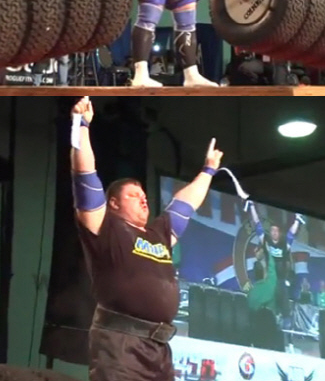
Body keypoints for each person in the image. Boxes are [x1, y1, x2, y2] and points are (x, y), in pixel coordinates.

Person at [70, 96, 223, 381]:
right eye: (133, 195)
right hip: (120, 343)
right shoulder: (105, 226)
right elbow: (84, 174)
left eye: (143, 195)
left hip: (159, 349)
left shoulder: (159, 234)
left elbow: (186, 203)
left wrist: (209, 169)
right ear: (113, 203)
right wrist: (81, 125)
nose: (143, 199)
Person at [247, 201, 303, 324]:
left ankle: (284, 321)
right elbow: (257, 225)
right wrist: (252, 207)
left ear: (279, 233)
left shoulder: (284, 244)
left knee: (283, 302)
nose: (274, 232)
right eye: (272, 230)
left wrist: (297, 221)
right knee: (266, 298)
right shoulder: (266, 241)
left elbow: (291, 234)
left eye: (276, 230)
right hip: (269, 277)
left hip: (280, 280)